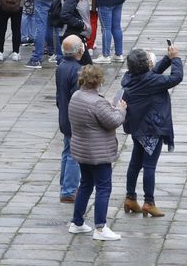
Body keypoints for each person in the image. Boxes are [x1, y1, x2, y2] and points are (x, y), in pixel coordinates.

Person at [121, 45, 183, 218]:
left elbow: (153, 72)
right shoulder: (150, 81)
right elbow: (176, 77)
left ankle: (130, 197)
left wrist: (167, 59)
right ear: (145, 65)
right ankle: (149, 202)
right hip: (151, 129)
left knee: (135, 163)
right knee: (149, 166)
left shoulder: (131, 77)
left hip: (137, 127)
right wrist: (176, 59)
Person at [67, 64, 126, 241]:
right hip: (98, 152)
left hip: (82, 149)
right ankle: (100, 228)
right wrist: (120, 109)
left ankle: (76, 223)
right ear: (98, 81)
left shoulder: (76, 96)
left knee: (85, 184)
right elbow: (114, 121)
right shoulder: (97, 102)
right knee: (103, 188)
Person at [55, 35, 84, 204]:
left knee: (67, 152)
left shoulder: (62, 66)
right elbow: (79, 98)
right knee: (74, 155)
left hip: (64, 116)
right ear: (79, 50)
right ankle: (69, 190)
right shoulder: (78, 70)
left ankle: (65, 186)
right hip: (74, 119)